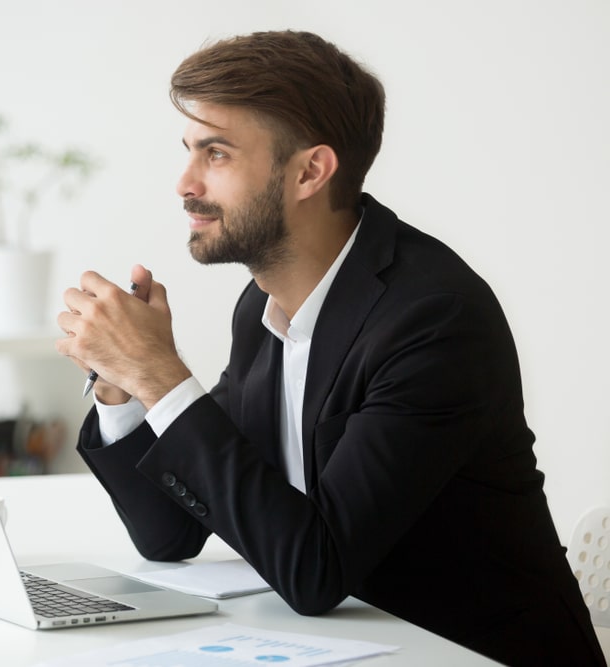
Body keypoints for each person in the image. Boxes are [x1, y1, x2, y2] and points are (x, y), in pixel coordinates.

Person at [55, 30, 605, 666]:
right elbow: (168, 534)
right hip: (357, 647)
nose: (184, 182)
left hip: (472, 652)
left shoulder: (433, 320)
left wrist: (160, 374)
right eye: (188, 151)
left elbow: (317, 571)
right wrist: (122, 384)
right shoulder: (263, 309)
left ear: (310, 171)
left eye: (217, 153)